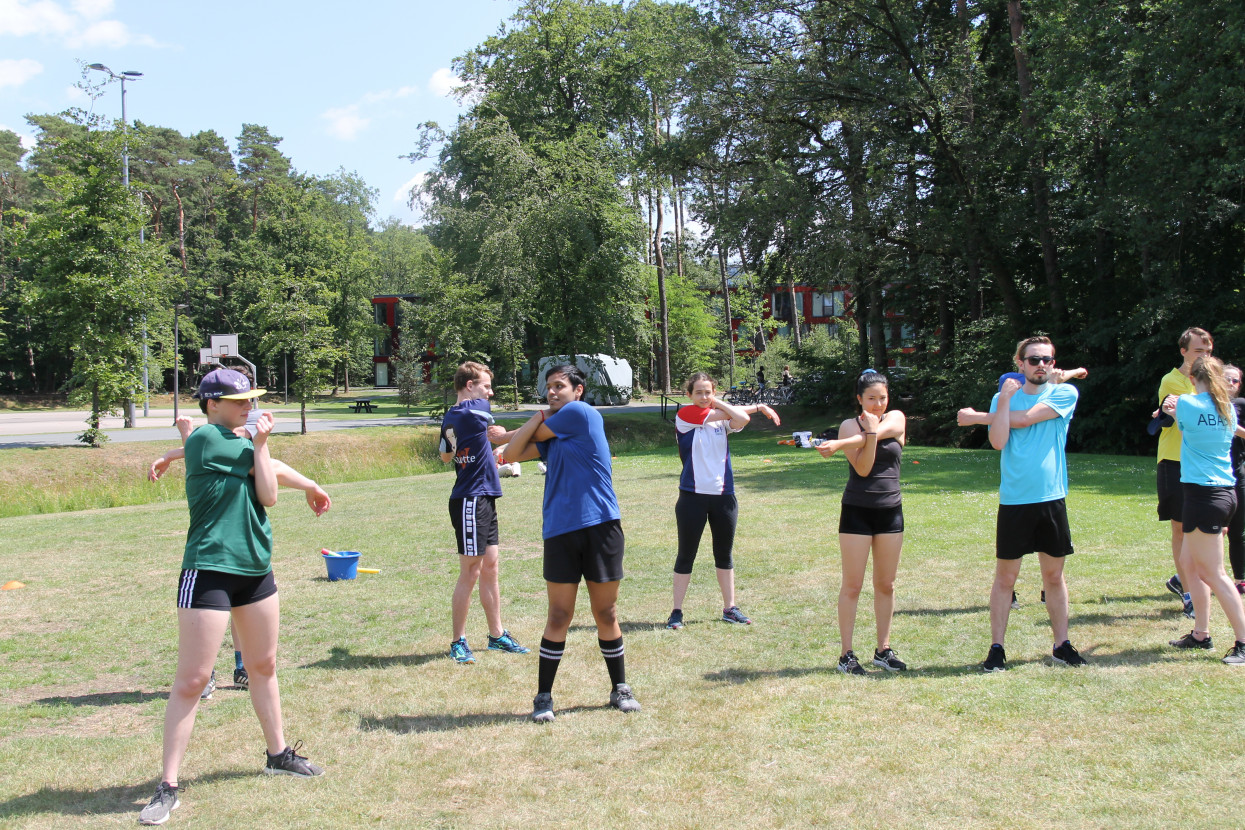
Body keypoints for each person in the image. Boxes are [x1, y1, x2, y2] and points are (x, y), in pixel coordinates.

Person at [137, 368, 332, 826]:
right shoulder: (208, 438)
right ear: (212, 404)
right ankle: (167, 786)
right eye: (239, 400)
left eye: (251, 399)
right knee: (192, 679)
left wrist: (310, 484)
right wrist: (270, 455)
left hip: (254, 569)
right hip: (208, 570)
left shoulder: (232, 440)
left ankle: (278, 753)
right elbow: (268, 490)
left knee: (263, 666)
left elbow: (269, 472)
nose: (250, 406)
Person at [503, 363, 640, 722]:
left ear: (578, 391)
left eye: (560, 385)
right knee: (559, 615)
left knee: (605, 613)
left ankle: (620, 689)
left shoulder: (579, 412)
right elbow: (514, 455)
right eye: (548, 387)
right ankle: (544, 698)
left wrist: (532, 421)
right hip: (560, 530)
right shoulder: (554, 436)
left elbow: (513, 443)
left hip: (600, 527)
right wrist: (536, 418)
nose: (552, 391)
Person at [956, 336, 1086, 671]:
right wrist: (1000, 405)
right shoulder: (1003, 397)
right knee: (1005, 578)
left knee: (1053, 577)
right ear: (1020, 364)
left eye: (1047, 359)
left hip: (1051, 498)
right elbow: (999, 442)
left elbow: (1027, 419)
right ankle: (997, 648)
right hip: (1014, 500)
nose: (1041, 365)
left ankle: (1061, 644)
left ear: (1053, 364)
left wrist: (975, 417)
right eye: (1033, 360)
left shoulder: (1064, 393)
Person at [665, 372, 781, 631]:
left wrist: (754, 406)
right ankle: (676, 612)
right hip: (692, 497)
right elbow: (738, 415)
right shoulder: (686, 415)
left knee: (724, 554)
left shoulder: (721, 422)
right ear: (689, 396)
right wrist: (755, 406)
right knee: (686, 555)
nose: (704, 397)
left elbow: (739, 419)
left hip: (724, 497)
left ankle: (730, 608)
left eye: (709, 392)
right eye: (699, 393)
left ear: (715, 392)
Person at [150, 415, 250, 695]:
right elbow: (199, 454)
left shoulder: (245, 434)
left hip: (240, 535)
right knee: (210, 611)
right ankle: (207, 673)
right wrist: (173, 452)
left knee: (238, 609)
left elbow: (204, 453)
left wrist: (182, 440)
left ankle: (241, 669)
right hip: (212, 540)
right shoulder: (208, 437)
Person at [817, 369, 908, 674]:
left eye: (882, 398)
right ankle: (846, 655)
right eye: (871, 399)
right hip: (857, 510)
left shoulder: (896, 418)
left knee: (886, 583)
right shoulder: (847, 426)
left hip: (890, 510)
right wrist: (863, 435)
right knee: (853, 585)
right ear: (859, 399)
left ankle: (883, 650)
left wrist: (844, 443)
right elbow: (865, 469)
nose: (878, 404)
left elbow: (884, 430)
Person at [438, 361, 529, 664]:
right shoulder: (475, 410)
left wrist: (474, 450)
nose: (490, 392)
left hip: (485, 496)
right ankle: (457, 642)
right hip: (470, 500)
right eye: (486, 385)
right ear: (469, 386)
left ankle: (497, 636)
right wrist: (541, 424)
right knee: (471, 571)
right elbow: (499, 435)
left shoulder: (453, 416)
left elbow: (445, 455)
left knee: (491, 567)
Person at [1163, 356, 1245, 664]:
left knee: (1214, 573)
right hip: (1222, 493)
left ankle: (1243, 642)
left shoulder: (1187, 403)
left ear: (1194, 379)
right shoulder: (1228, 410)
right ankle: (1201, 634)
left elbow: (1177, 423)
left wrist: (1170, 408)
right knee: (1189, 564)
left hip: (1204, 496)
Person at [1155, 328, 1215, 619]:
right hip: (1174, 461)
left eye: (1208, 351)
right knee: (1180, 527)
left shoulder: (1214, 381)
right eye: (1197, 351)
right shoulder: (1172, 380)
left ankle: (1184, 578)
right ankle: (1190, 595)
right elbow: (1175, 421)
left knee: (1203, 528)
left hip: (1202, 464)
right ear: (1183, 352)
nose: (1204, 356)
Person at [1223, 364, 1245, 594]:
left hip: (1237, 475)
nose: (1230, 383)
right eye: (1226, 379)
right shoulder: (1202, 404)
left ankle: (1241, 579)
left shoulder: (1240, 406)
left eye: (1235, 381)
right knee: (1215, 532)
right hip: (1211, 478)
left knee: (1238, 531)